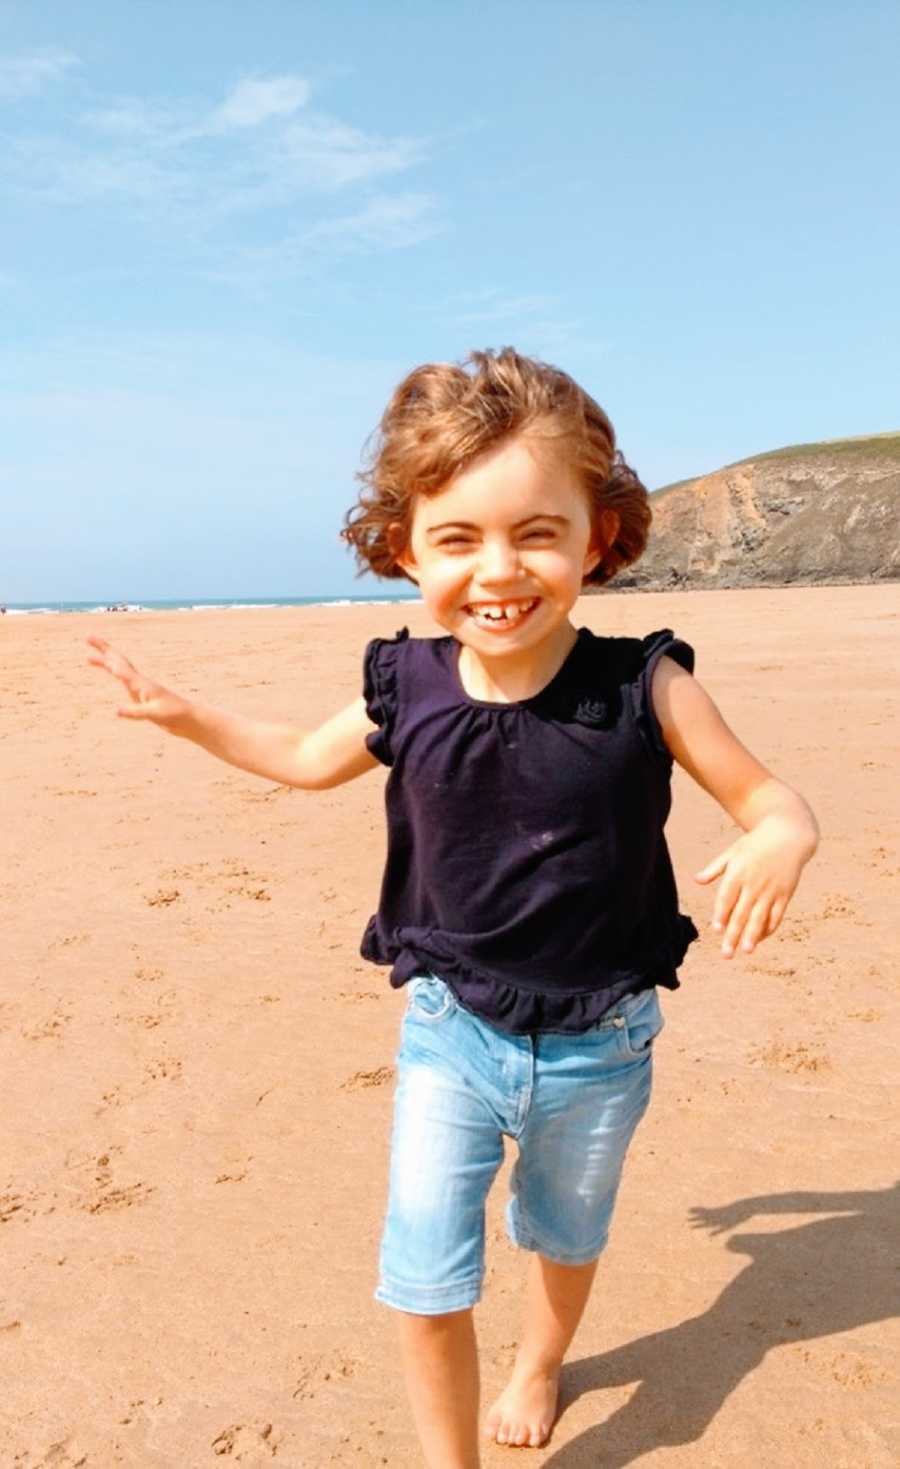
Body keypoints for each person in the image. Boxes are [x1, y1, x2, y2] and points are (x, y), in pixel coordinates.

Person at [88, 348, 819, 1467]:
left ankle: (539, 1359)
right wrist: (191, 717)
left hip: (602, 1041)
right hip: (451, 1031)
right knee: (424, 1276)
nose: (499, 569)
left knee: (566, 1236)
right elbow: (299, 755)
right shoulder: (407, 682)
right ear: (402, 548)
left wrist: (780, 835)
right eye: (457, 538)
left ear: (599, 538)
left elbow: (770, 798)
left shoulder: (646, 685)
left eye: (537, 531)